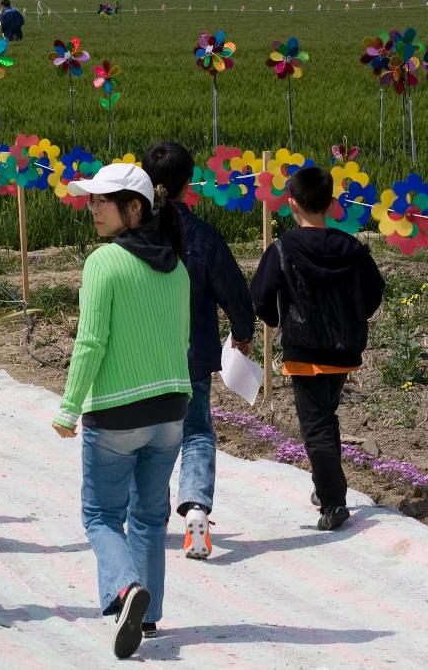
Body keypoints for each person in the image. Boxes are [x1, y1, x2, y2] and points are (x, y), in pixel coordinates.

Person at [54, 163, 191, 659]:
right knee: (151, 516)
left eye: (101, 201)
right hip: (172, 408)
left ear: (133, 209)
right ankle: (148, 618)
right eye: (90, 200)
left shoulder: (104, 262)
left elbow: (91, 343)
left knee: (100, 516)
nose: (92, 208)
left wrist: (69, 408)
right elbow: (182, 338)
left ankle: (126, 588)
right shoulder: (177, 266)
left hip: (116, 412)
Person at [250, 165, 385, 532]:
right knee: (325, 416)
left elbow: (260, 297)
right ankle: (324, 484)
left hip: (305, 350)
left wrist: (279, 321)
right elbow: (374, 291)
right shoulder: (352, 248)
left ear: (291, 203)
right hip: (343, 350)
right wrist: (352, 319)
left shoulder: (283, 249)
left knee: (316, 426)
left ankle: (333, 501)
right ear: (330, 203)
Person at [143, 141, 256, 560]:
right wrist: (243, 334)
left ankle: (151, 516)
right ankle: (195, 507)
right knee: (195, 433)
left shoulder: (133, 237)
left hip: (141, 359)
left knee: (150, 437)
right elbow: (234, 292)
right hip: (192, 357)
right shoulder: (204, 237)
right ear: (188, 184)